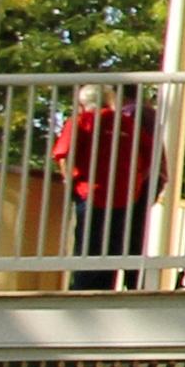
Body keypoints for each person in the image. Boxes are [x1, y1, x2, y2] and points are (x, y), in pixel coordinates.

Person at [51, 82, 165, 289]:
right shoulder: (127, 124)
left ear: (84, 103)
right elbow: (149, 157)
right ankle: (108, 288)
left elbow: (63, 153)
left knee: (88, 244)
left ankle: (84, 291)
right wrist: (135, 185)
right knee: (113, 243)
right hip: (124, 195)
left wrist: (71, 181)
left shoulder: (82, 121)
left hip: (91, 193)